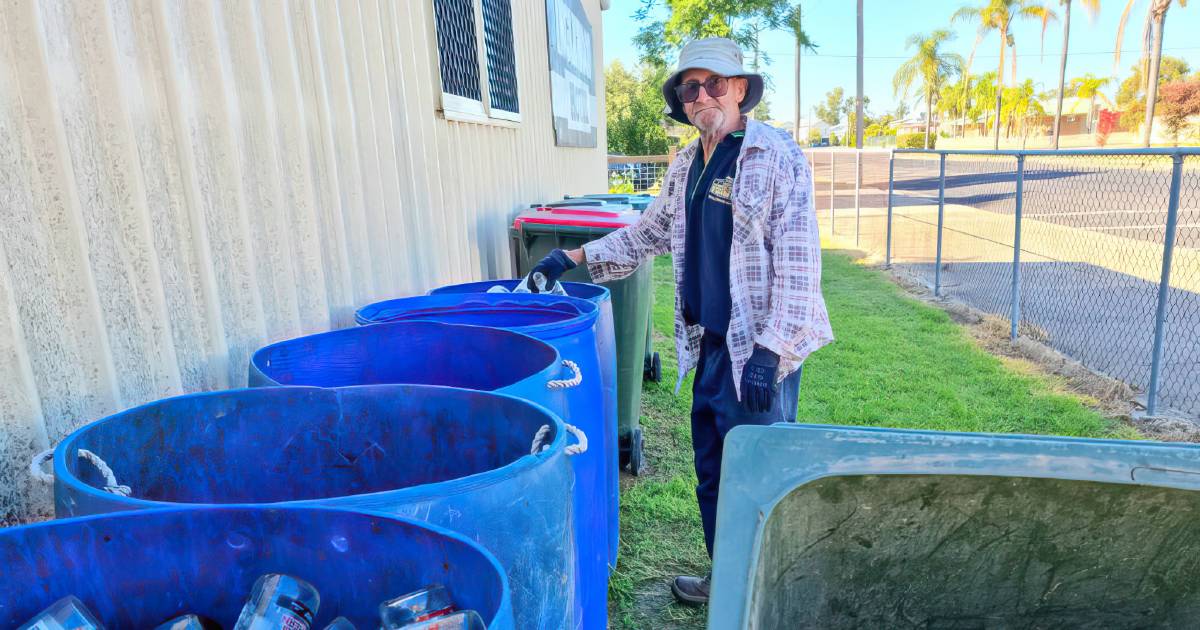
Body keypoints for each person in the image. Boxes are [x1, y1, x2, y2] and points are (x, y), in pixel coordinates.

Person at [529, 37, 833, 606]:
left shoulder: (776, 155)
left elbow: (799, 262)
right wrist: (572, 257)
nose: (701, 97)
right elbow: (650, 232)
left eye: (713, 83)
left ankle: (766, 594)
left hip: (759, 352)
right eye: (690, 88)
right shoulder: (688, 163)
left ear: (740, 89)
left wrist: (771, 352)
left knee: (759, 478)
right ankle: (727, 580)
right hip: (711, 346)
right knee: (715, 473)